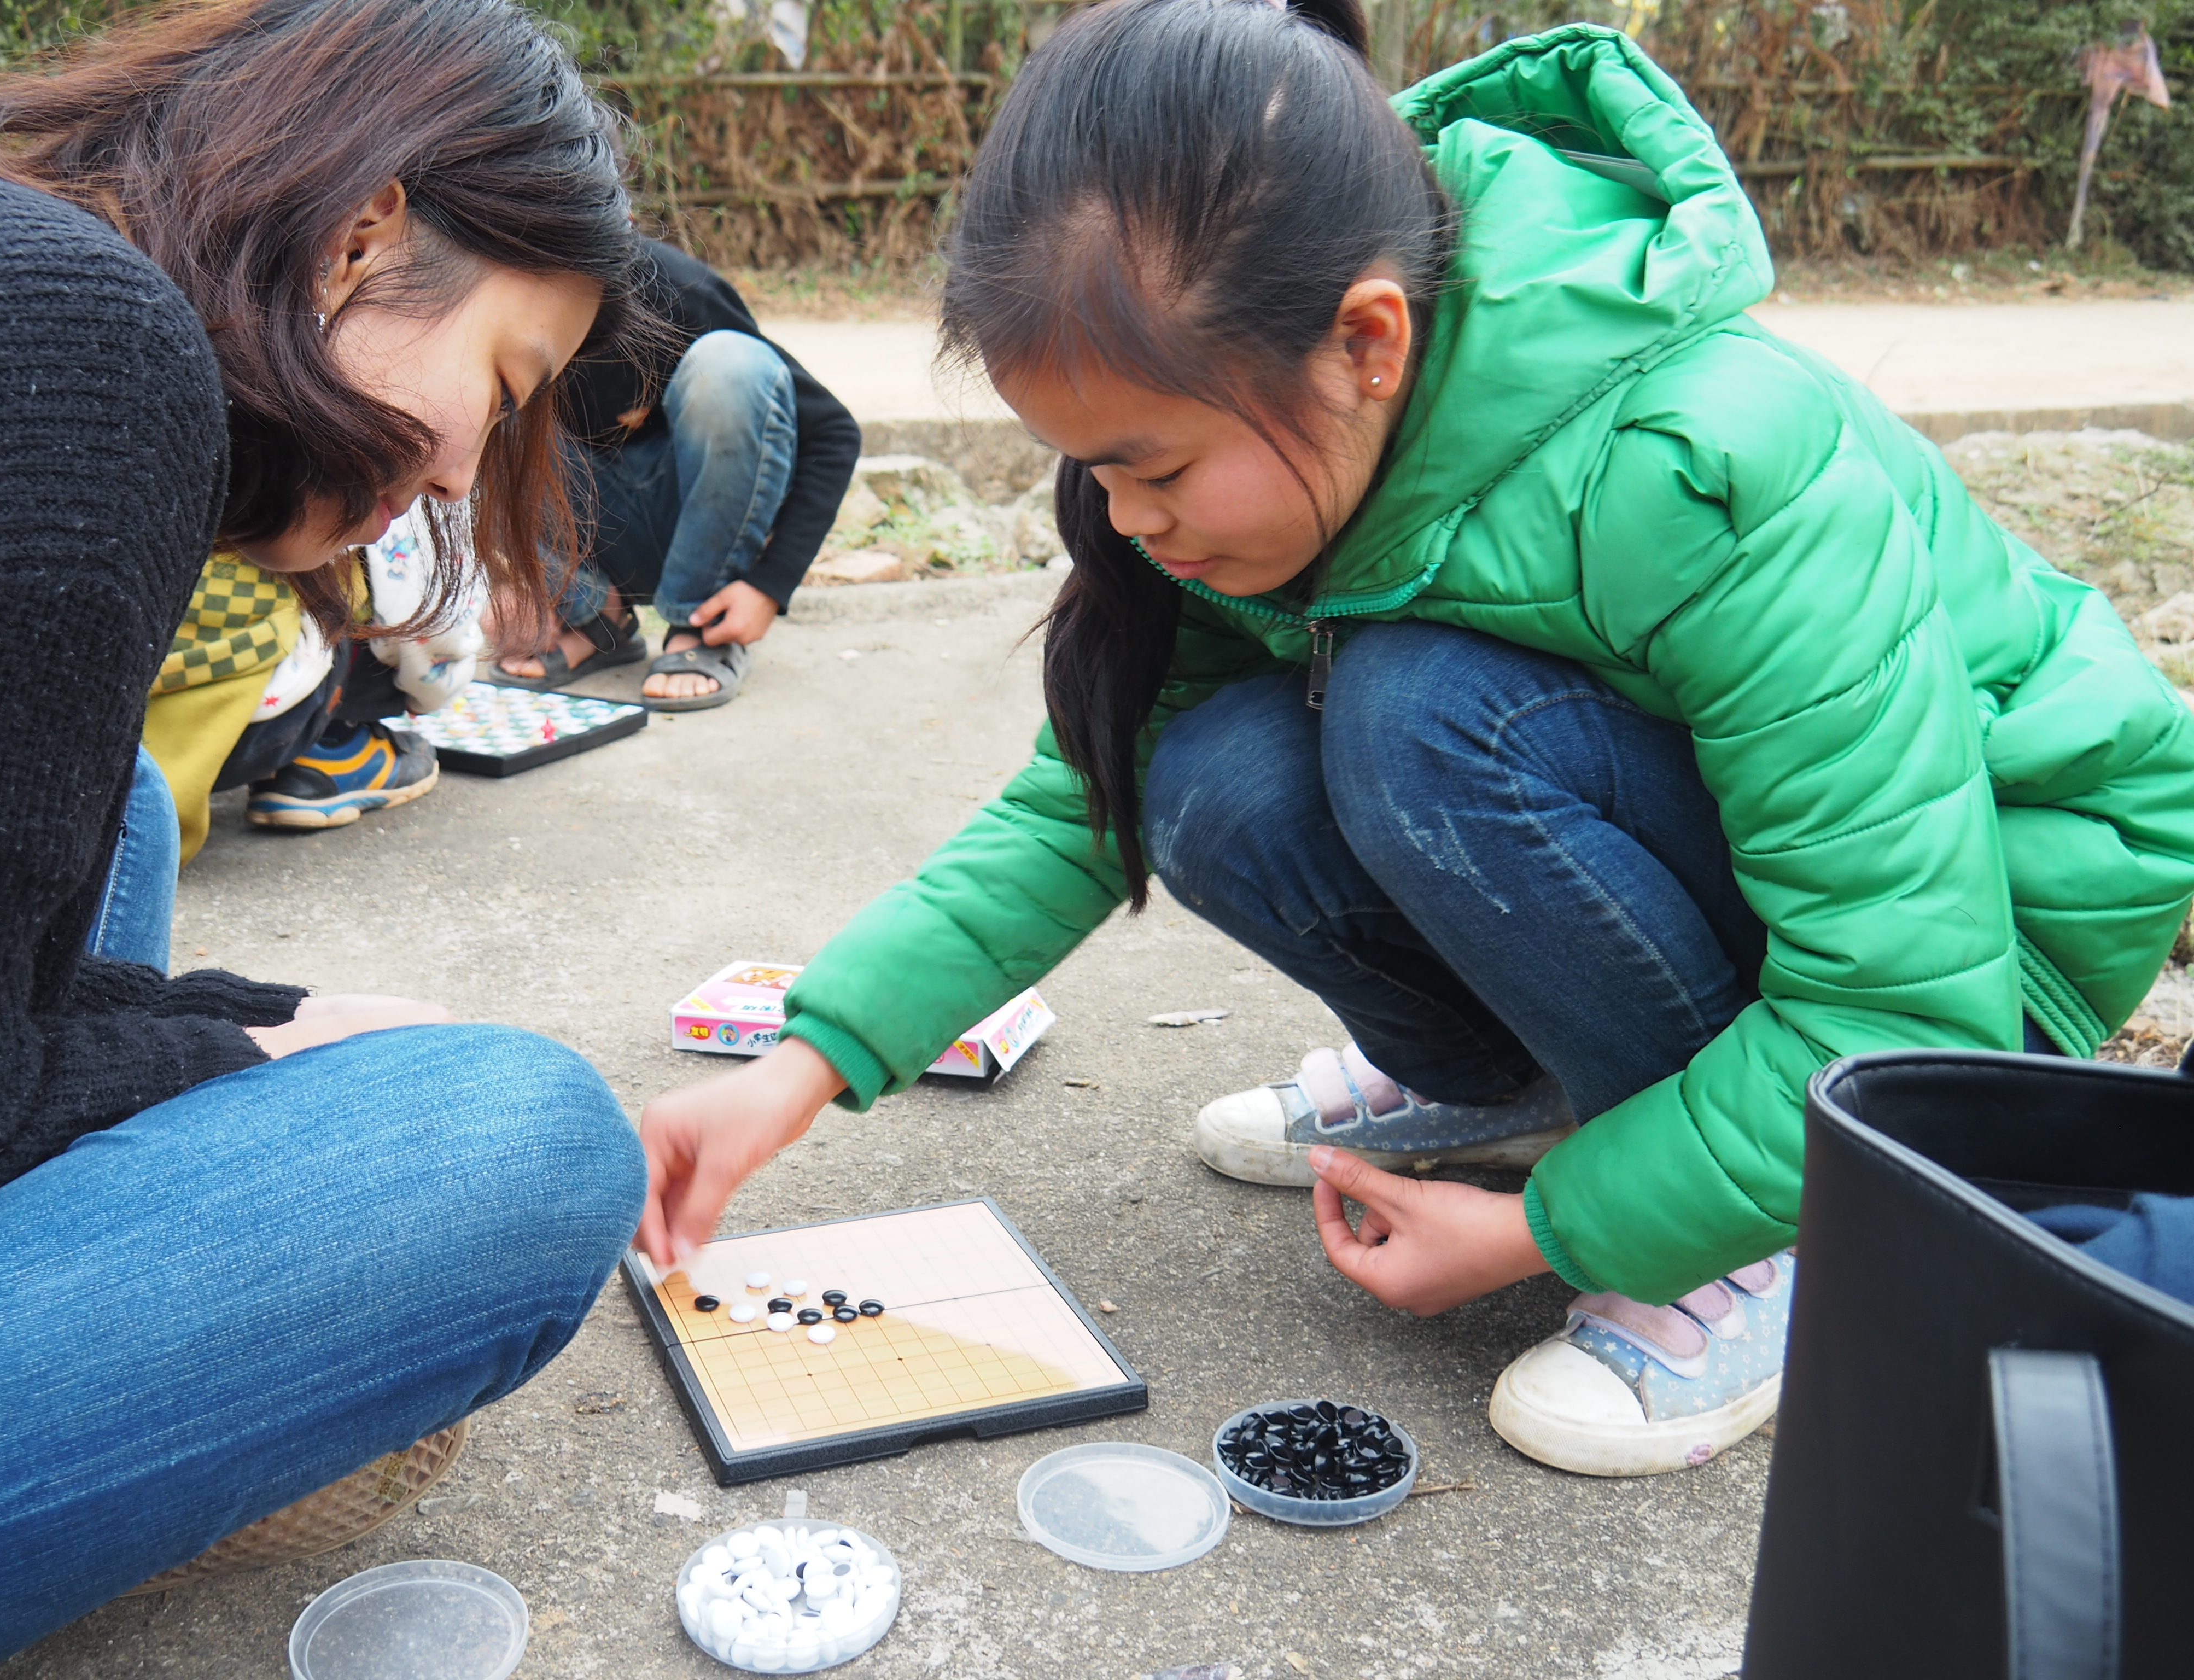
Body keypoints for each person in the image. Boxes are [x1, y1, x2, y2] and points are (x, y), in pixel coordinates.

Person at [631, 0, 2194, 1479]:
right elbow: (1075, 811)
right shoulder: (1270, 463)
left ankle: (1755, 1236)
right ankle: (1534, 1090)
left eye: (1153, 465)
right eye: (1090, 472)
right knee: (1211, 776)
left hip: (1989, 950)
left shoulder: (1703, 462)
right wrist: (806, 1064)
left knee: (1418, 711)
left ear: (1368, 342)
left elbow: (1903, 1008)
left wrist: (1551, 1237)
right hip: (1740, 885)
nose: (1125, 518)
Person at [0, 1, 651, 1669]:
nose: (463, 471)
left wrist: (245, 1022)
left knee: (113, 798)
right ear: (360, 237)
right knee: (523, 1142)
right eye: (506, 382)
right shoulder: (76, 351)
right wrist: (245, 1057)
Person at [489, 234, 862, 710]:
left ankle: (700, 624)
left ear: (614, 218)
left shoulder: (677, 288)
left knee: (730, 365)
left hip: (699, 527)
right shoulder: (494, 301)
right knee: (482, 396)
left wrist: (770, 584)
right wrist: (512, 573)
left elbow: (834, 434)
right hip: (593, 529)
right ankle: (594, 616)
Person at [143, 507, 483, 856]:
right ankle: (334, 744)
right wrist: (442, 681)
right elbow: (431, 627)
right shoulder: (397, 460)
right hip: (253, 726)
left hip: (124, 712)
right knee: (376, 601)